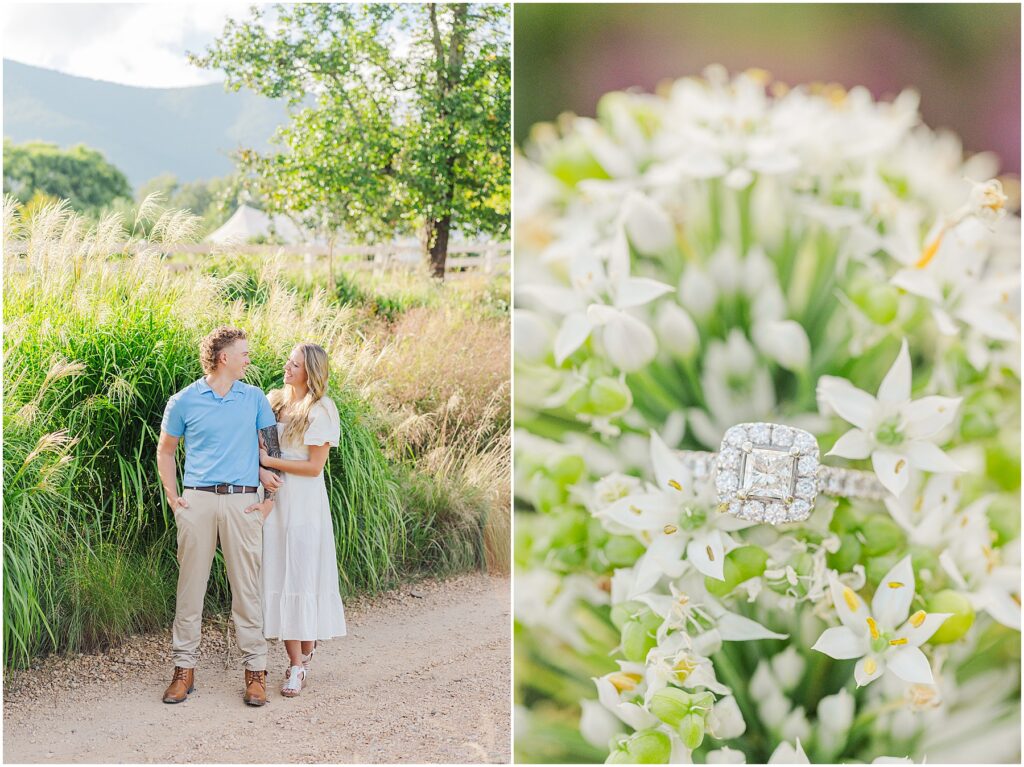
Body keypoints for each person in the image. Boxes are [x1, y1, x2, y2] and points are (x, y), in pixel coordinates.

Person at [156, 326, 281, 707]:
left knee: (247, 589)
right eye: (244, 353)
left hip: (243, 502)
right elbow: (166, 451)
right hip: (198, 503)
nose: (249, 359)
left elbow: (272, 451)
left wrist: (270, 499)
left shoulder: (256, 398)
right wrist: (174, 497)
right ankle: (183, 670)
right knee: (190, 588)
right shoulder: (184, 401)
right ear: (224, 357)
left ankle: (255, 673)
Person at [258, 342, 347, 697]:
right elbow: (258, 446)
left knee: (302, 575)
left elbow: (313, 467)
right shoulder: (273, 400)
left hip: (306, 504)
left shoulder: (321, 409)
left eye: (294, 364)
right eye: (288, 361)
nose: (287, 367)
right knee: (280, 572)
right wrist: (262, 470)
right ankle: (295, 665)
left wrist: (271, 463)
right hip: (275, 502)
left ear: (310, 371)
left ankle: (304, 654)